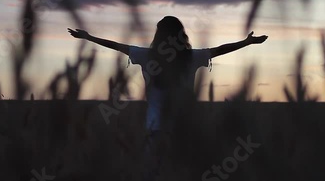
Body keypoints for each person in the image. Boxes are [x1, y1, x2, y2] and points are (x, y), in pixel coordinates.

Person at [67, 15, 267, 180]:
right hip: (185, 129)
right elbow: (220, 50)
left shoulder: (147, 56)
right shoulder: (192, 57)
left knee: (153, 173)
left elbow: (117, 46)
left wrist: (88, 37)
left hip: (155, 128)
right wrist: (247, 42)